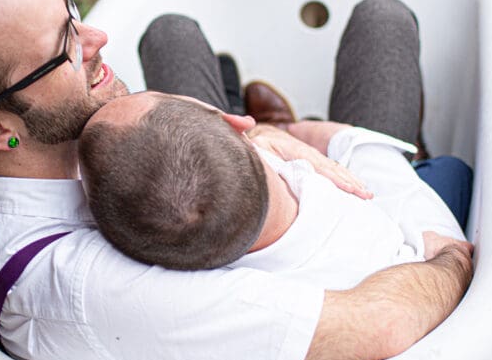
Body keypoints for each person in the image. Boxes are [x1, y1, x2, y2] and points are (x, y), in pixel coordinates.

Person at [0, 0, 473, 360]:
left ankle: (262, 113)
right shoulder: (97, 292)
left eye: (67, 7)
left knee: (171, 32)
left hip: (244, 193)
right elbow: (390, 321)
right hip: (350, 264)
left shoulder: (23, 170)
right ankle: (307, 122)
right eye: (63, 48)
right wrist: (445, 250)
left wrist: (261, 142)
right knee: (386, 21)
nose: (96, 35)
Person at [79, 92, 468, 287]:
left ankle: (243, 93)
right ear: (239, 129)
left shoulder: (215, 277)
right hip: (384, 230)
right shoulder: (347, 209)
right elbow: (365, 154)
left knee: (172, 34)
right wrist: (290, 134)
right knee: (451, 171)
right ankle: (278, 119)